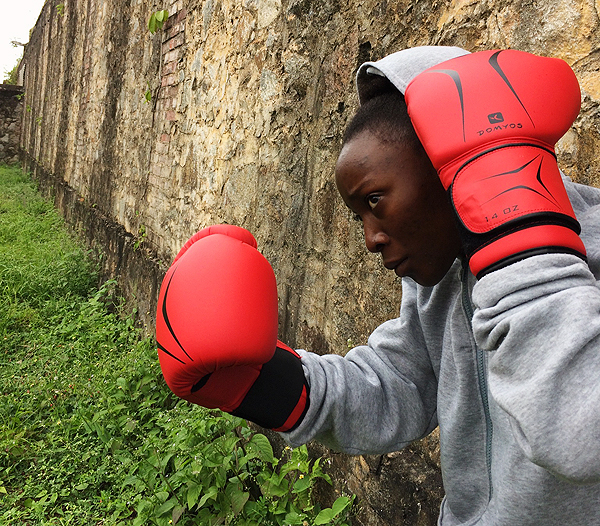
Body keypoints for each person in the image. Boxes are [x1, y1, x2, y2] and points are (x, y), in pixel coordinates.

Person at [155, 46, 600, 524]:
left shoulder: (584, 253)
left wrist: (519, 240)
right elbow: (402, 383)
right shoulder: (444, 276)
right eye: (358, 216)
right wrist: (272, 387)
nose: (370, 239)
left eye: (375, 200)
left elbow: (581, 436)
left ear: (449, 163)